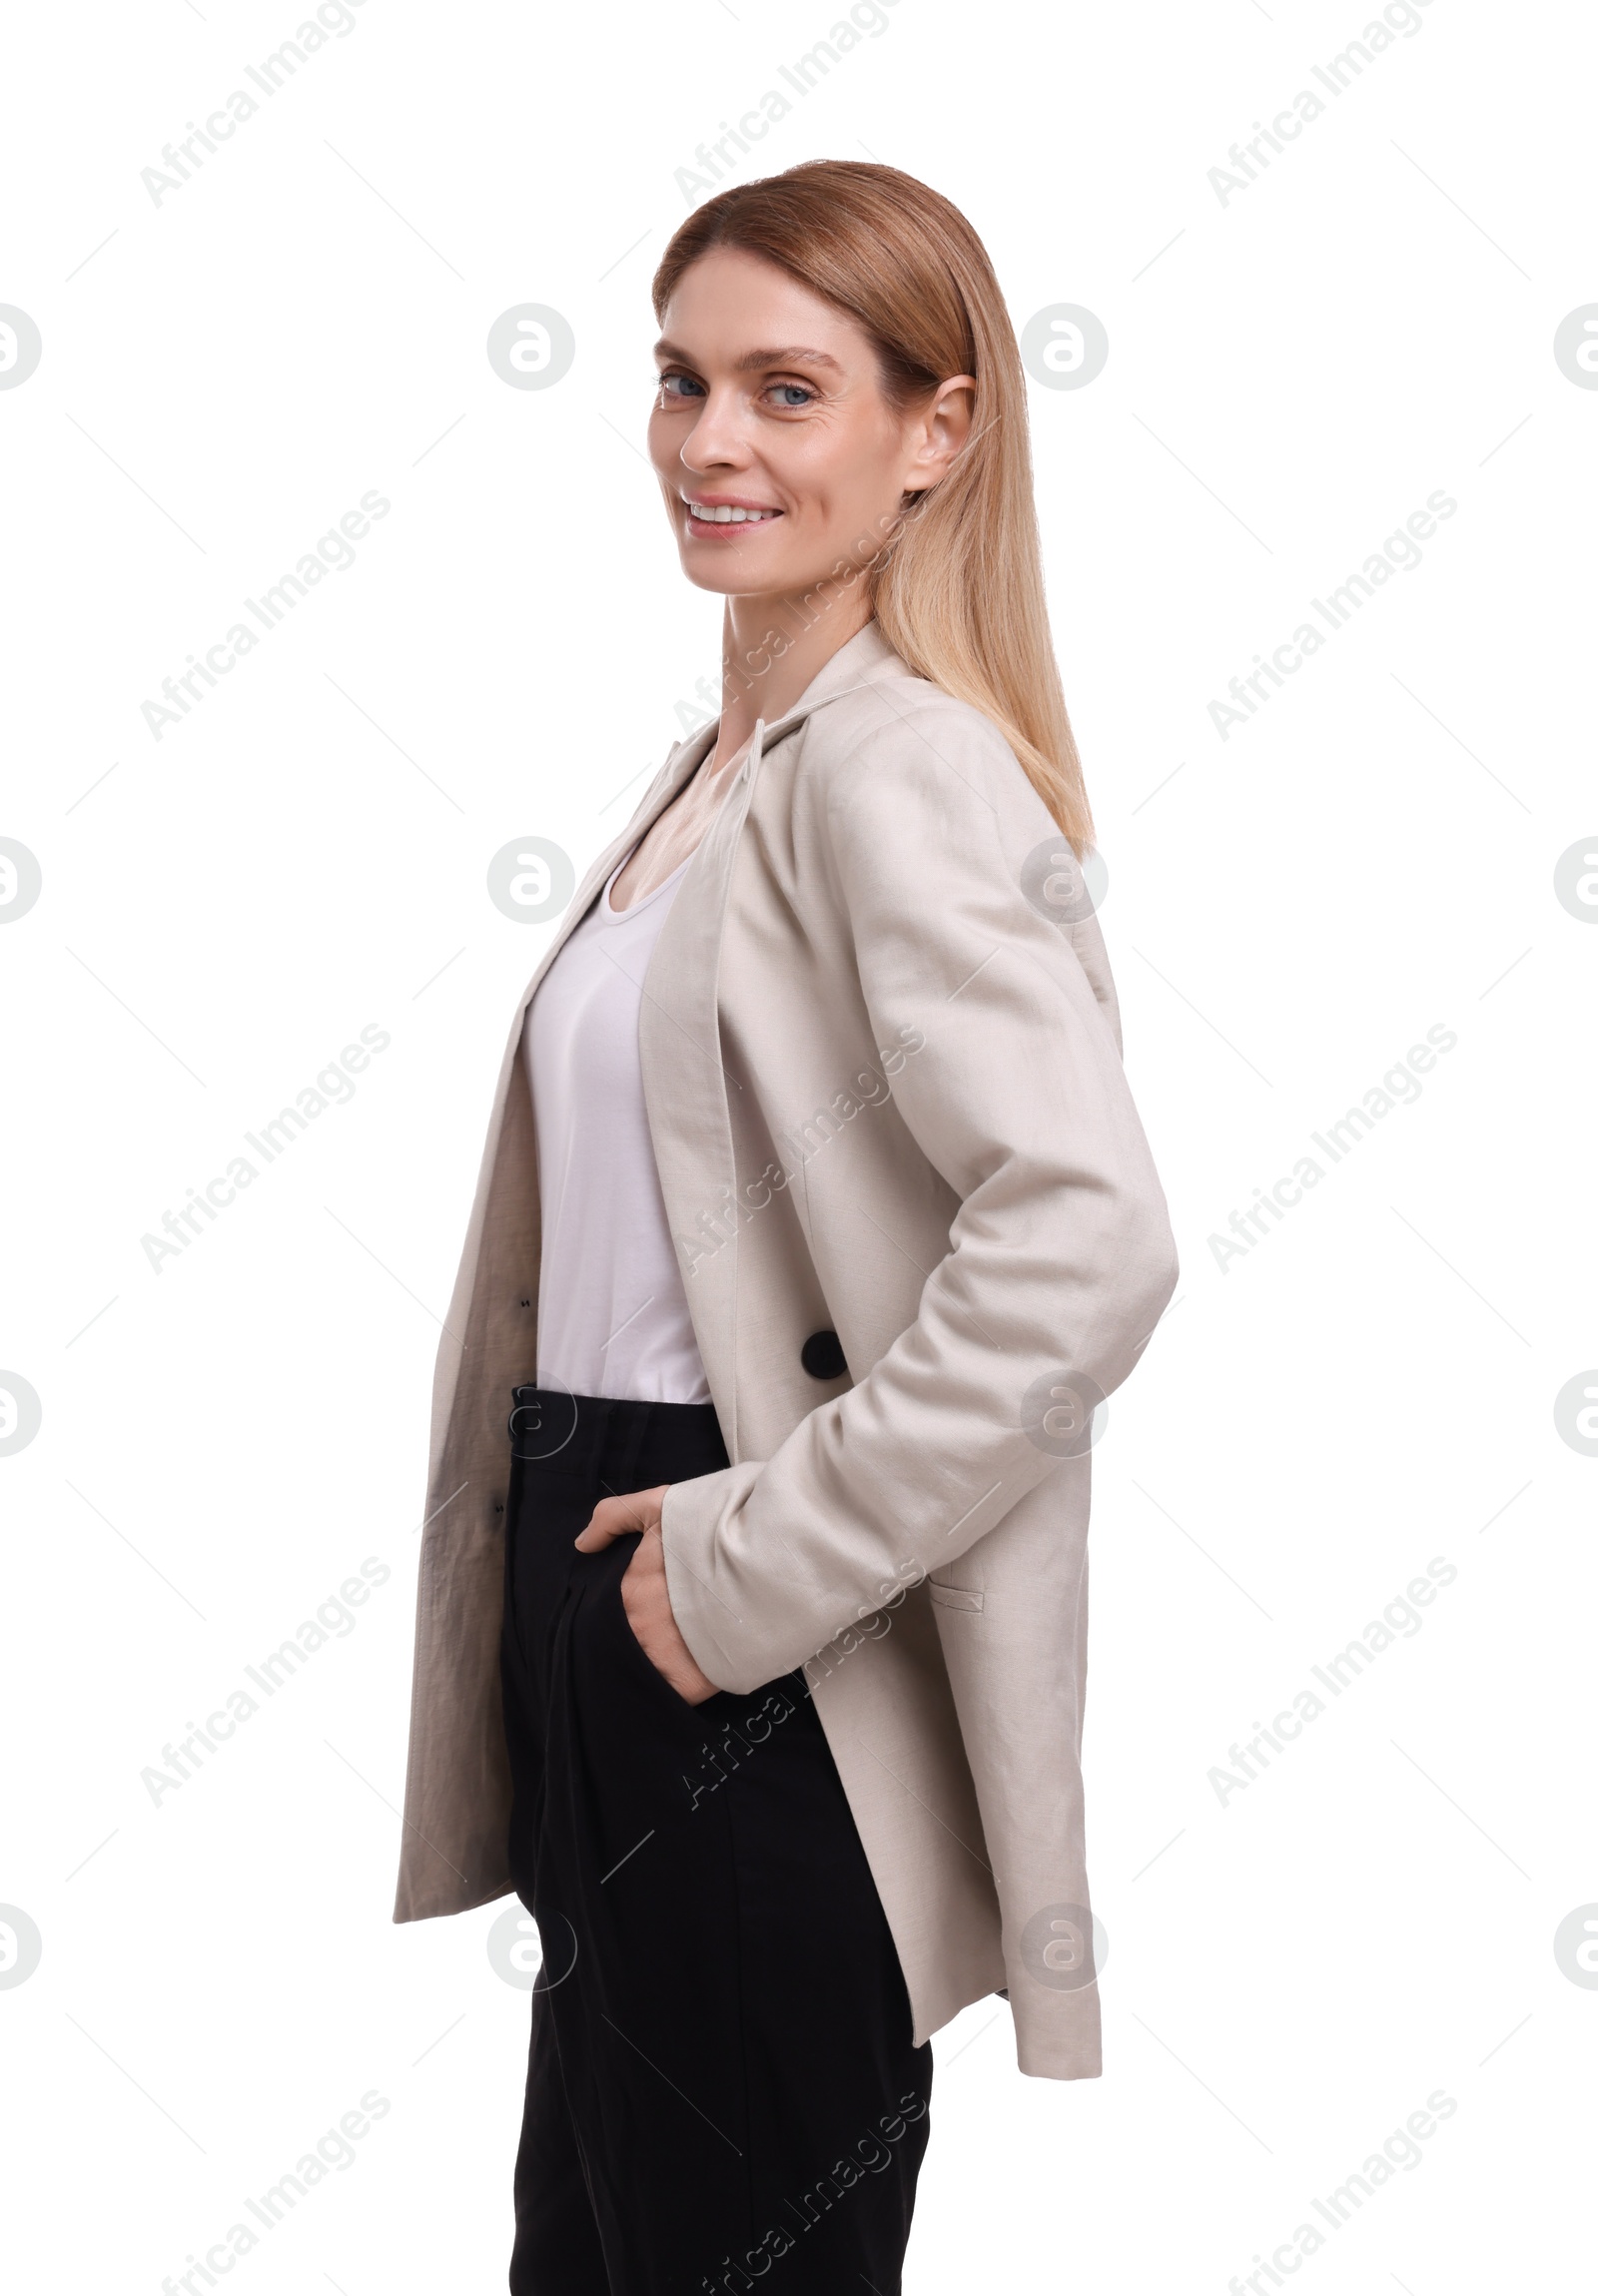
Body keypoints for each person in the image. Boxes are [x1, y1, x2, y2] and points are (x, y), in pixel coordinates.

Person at [393, 159, 1179, 2294]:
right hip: (609, 1582)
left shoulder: (893, 771)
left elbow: (1086, 1240)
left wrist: (753, 1558)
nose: (709, 442)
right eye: (678, 380)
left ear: (935, 432)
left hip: (742, 1628)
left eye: (785, 389)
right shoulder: (722, 763)